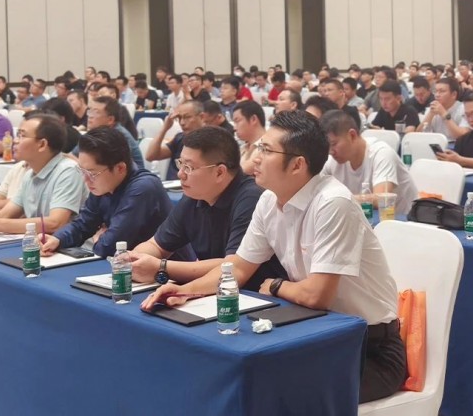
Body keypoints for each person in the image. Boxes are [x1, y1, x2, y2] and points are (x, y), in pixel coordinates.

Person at [141, 110, 404, 403]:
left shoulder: (332, 203)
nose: (255, 158)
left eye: (266, 151)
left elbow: (317, 295)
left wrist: (276, 285)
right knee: (229, 376)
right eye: (259, 148)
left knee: (271, 394)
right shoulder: (268, 199)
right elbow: (238, 266)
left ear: (297, 164)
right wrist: (184, 291)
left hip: (368, 349)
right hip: (318, 335)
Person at [131, 126, 285, 289]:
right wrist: (136, 259)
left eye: (189, 167)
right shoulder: (194, 196)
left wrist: (161, 267)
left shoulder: (252, 199)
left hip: (254, 295)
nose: (180, 174)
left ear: (219, 172)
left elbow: (233, 265)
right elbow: (156, 245)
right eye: (180, 164)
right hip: (211, 291)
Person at [41, 127, 173, 257]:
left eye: (92, 173)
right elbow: (83, 224)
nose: (85, 179)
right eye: (82, 171)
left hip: (165, 268)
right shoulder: (104, 184)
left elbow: (109, 247)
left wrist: (100, 240)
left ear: (120, 168)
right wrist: (58, 239)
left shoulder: (143, 188)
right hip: (125, 265)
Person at [0, 114, 86, 234]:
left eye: (22, 136)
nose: (15, 141)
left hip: (72, 247)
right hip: (41, 243)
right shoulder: (29, 175)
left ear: (42, 144)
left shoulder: (68, 171)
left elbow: (55, 223)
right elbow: (4, 215)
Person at [320, 110, 417, 214]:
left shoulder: (382, 153)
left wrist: (337, 199)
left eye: (333, 144)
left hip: (403, 219)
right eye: (327, 146)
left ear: (352, 135)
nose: (331, 152)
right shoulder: (332, 161)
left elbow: (381, 199)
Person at [73, 96, 145, 169]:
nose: (90, 116)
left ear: (110, 120)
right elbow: (75, 154)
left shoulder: (118, 136)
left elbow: (108, 168)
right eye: (90, 111)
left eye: (96, 112)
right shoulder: (96, 131)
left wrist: (72, 159)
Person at [145, 100, 204, 180]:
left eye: (187, 117)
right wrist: (165, 128)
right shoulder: (180, 138)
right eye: (179, 118)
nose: (182, 122)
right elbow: (150, 156)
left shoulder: (211, 141)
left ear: (201, 117)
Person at [232, 101, 265, 176]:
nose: (234, 128)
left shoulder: (265, 144)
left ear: (253, 119)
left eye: (237, 121)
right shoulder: (243, 147)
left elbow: (241, 172)